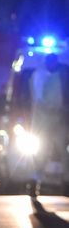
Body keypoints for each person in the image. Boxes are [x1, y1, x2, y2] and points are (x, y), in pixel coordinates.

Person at [30, 53, 69, 193]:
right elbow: (38, 100)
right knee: (41, 153)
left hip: (59, 122)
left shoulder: (62, 75)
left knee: (65, 153)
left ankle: (66, 183)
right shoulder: (39, 76)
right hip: (44, 123)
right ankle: (35, 181)